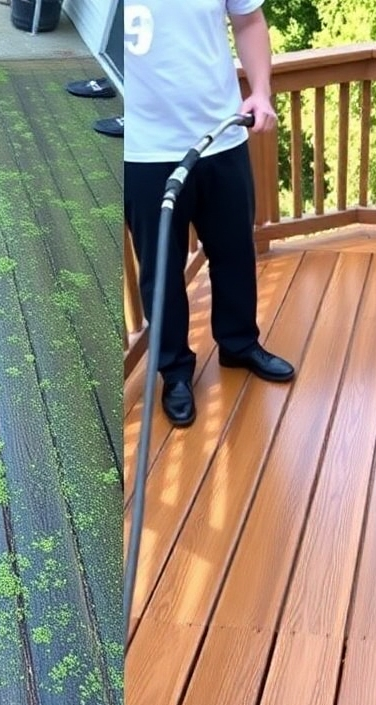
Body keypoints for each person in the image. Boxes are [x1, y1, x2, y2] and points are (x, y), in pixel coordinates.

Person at [124, 0, 294, 427]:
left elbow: (250, 21)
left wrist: (259, 91)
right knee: (160, 271)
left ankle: (238, 344)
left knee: (235, 252)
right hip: (145, 150)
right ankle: (175, 371)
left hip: (222, 136)